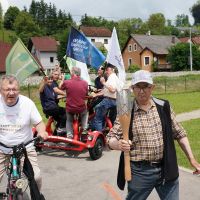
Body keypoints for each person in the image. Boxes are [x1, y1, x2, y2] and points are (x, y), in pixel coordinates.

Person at [106, 70, 200, 200]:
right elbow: (111, 138)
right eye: (138, 86)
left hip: (166, 169)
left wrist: (192, 159)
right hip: (139, 173)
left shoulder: (164, 106)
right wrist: (118, 145)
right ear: (132, 88)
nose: (141, 91)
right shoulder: (126, 110)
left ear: (152, 88)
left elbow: (179, 133)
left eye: (146, 86)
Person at [0, 75, 48, 191]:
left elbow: (39, 123)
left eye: (14, 89)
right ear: (1, 90)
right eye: (7, 89)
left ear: (18, 90)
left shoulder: (27, 103)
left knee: (36, 178)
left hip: (25, 149)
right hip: (2, 149)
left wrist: (42, 132)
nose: (11, 93)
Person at [59, 66, 88, 138]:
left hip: (70, 108)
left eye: (71, 72)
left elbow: (60, 87)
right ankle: (84, 128)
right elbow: (86, 94)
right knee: (85, 113)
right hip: (81, 107)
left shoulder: (67, 82)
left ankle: (69, 134)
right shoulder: (85, 83)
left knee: (69, 120)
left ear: (73, 73)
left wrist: (62, 79)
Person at [91, 63, 121, 131]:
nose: (106, 71)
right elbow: (107, 91)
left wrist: (104, 83)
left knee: (97, 117)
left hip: (109, 101)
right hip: (112, 101)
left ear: (112, 70)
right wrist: (96, 94)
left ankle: (99, 136)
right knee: (100, 113)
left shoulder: (112, 77)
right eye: (106, 70)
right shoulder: (113, 77)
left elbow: (112, 90)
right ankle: (102, 129)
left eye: (107, 70)